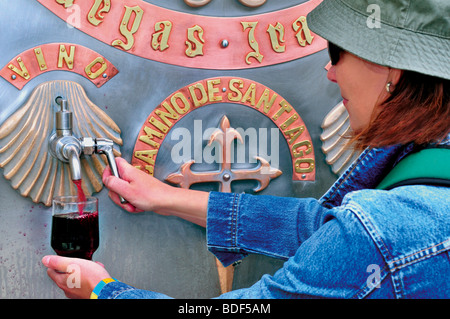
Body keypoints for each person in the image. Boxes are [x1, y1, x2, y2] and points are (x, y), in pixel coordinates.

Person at [42, 0, 450, 299]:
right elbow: (326, 229)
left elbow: (356, 241)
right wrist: (168, 198)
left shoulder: (382, 231)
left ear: (389, 68)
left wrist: (102, 292)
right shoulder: (425, 173)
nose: (329, 72)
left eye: (335, 52)